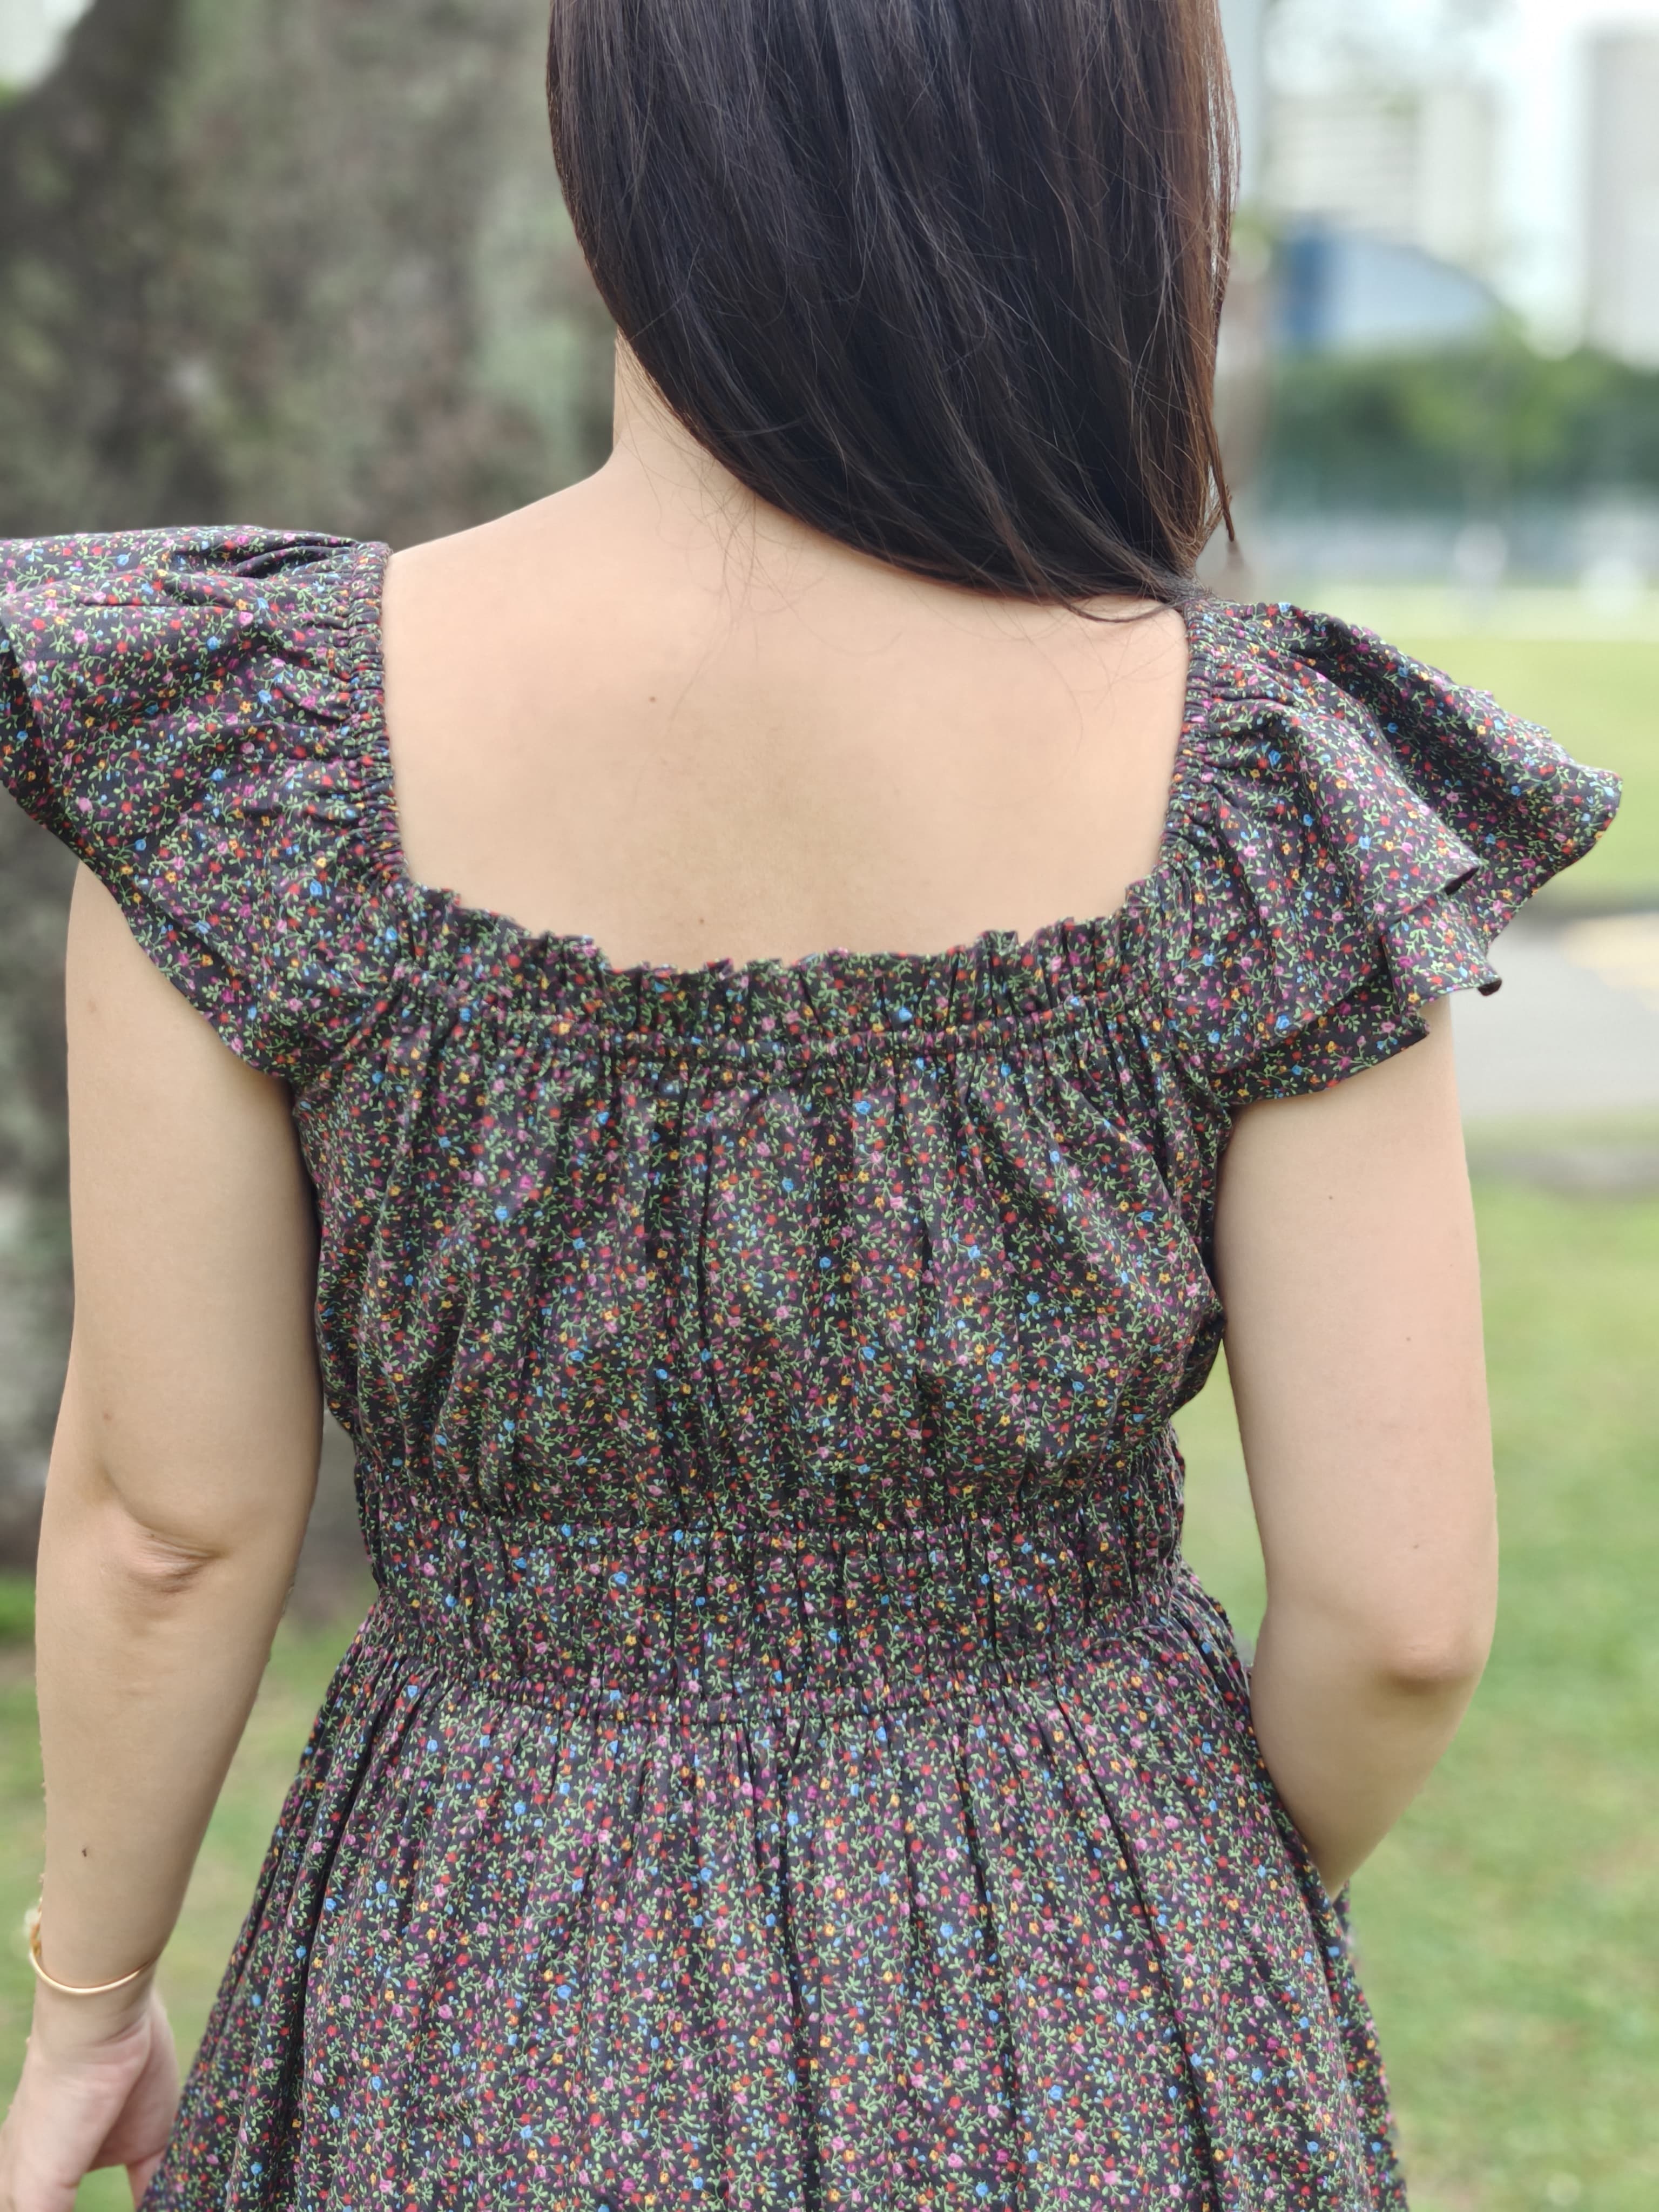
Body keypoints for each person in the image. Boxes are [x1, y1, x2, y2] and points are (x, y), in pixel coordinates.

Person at [0, 0, 1620, 2204]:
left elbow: (170, 1525)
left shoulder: (255, 750)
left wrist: (90, 2004)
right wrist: (1150, 1902)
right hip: (1094, 1983)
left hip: (474, 1971)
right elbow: (1400, 1622)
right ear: (1108, 177)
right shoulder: (1262, 789)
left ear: (616, 149)